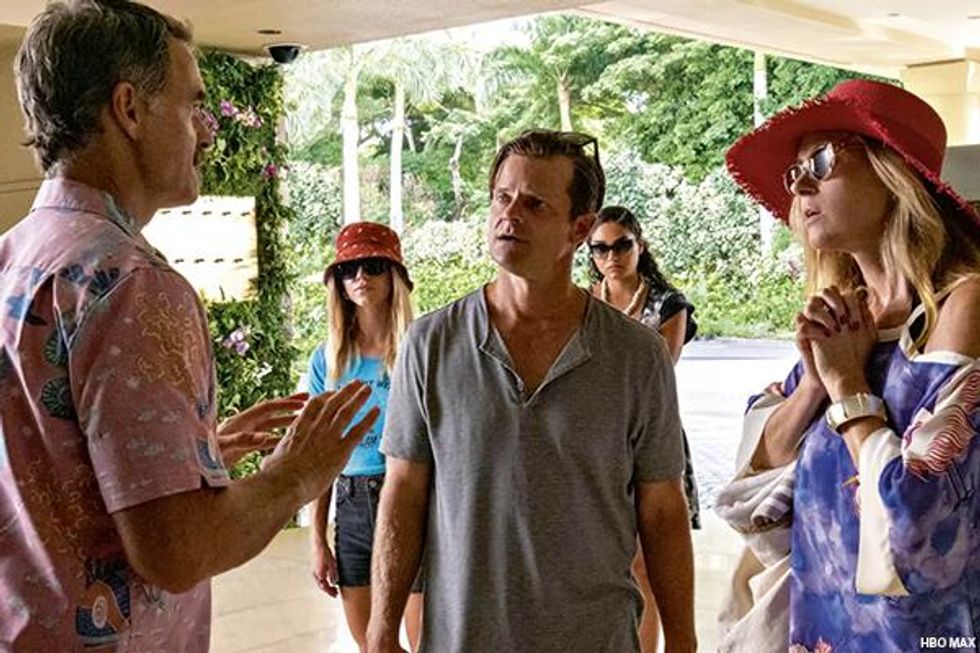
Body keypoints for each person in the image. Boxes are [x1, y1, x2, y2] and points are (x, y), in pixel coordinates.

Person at [0, 2, 376, 650]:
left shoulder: (14, 258)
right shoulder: (131, 285)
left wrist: (191, 461)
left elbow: (44, 473)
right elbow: (176, 551)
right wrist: (296, 473)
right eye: (193, 106)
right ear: (129, 109)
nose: (207, 132)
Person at [366, 129, 697, 653]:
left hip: (595, 638)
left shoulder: (636, 356)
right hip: (464, 638)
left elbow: (662, 509)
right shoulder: (431, 344)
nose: (509, 215)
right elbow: (404, 491)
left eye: (534, 204)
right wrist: (381, 628)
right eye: (502, 197)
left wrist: (682, 638)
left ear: (579, 228)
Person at [718, 79, 980, 652]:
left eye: (821, 160)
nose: (800, 184)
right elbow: (750, 491)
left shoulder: (964, 305)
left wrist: (847, 388)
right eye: (793, 173)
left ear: (894, 172)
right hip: (823, 631)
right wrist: (815, 385)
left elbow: (920, 529)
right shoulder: (848, 320)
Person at [587, 205, 701, 653]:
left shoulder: (668, 304)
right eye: (600, 248)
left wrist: (614, 340)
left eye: (621, 245)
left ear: (640, 245)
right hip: (596, 441)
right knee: (602, 562)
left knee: (646, 565)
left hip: (649, 438)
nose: (611, 257)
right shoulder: (583, 301)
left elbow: (657, 375)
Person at [308, 222, 422, 652]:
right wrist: (317, 540)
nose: (360, 277)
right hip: (352, 503)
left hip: (414, 499)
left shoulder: (419, 348)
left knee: (429, 641)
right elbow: (318, 457)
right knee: (374, 646)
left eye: (373, 266)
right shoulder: (328, 360)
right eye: (348, 269)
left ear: (394, 276)